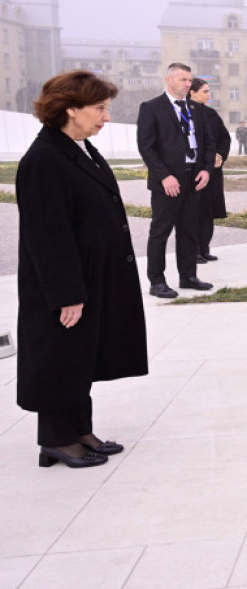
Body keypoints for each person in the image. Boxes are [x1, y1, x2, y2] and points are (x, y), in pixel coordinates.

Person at [16, 71, 148, 469]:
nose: (106, 116)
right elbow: (47, 235)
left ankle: (79, 430)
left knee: (79, 356)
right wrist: (66, 293)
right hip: (64, 283)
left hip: (89, 275)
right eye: (100, 108)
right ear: (70, 109)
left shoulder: (77, 147)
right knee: (60, 355)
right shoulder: (43, 159)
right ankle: (55, 439)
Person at [137, 62, 215, 299]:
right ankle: (157, 281)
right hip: (167, 182)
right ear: (168, 80)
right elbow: (146, 147)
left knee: (189, 229)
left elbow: (209, 143)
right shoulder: (151, 108)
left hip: (193, 178)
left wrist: (207, 169)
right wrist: (164, 176)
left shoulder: (197, 109)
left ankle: (188, 276)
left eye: (190, 80)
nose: (187, 84)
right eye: (182, 79)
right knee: (160, 231)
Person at [190, 77, 230, 262]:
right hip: (195, 171)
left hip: (213, 171)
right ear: (193, 93)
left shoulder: (211, 114)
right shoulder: (185, 113)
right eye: (205, 91)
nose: (209, 94)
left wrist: (220, 155)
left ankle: (205, 248)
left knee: (208, 211)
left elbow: (224, 138)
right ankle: (194, 250)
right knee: (194, 212)